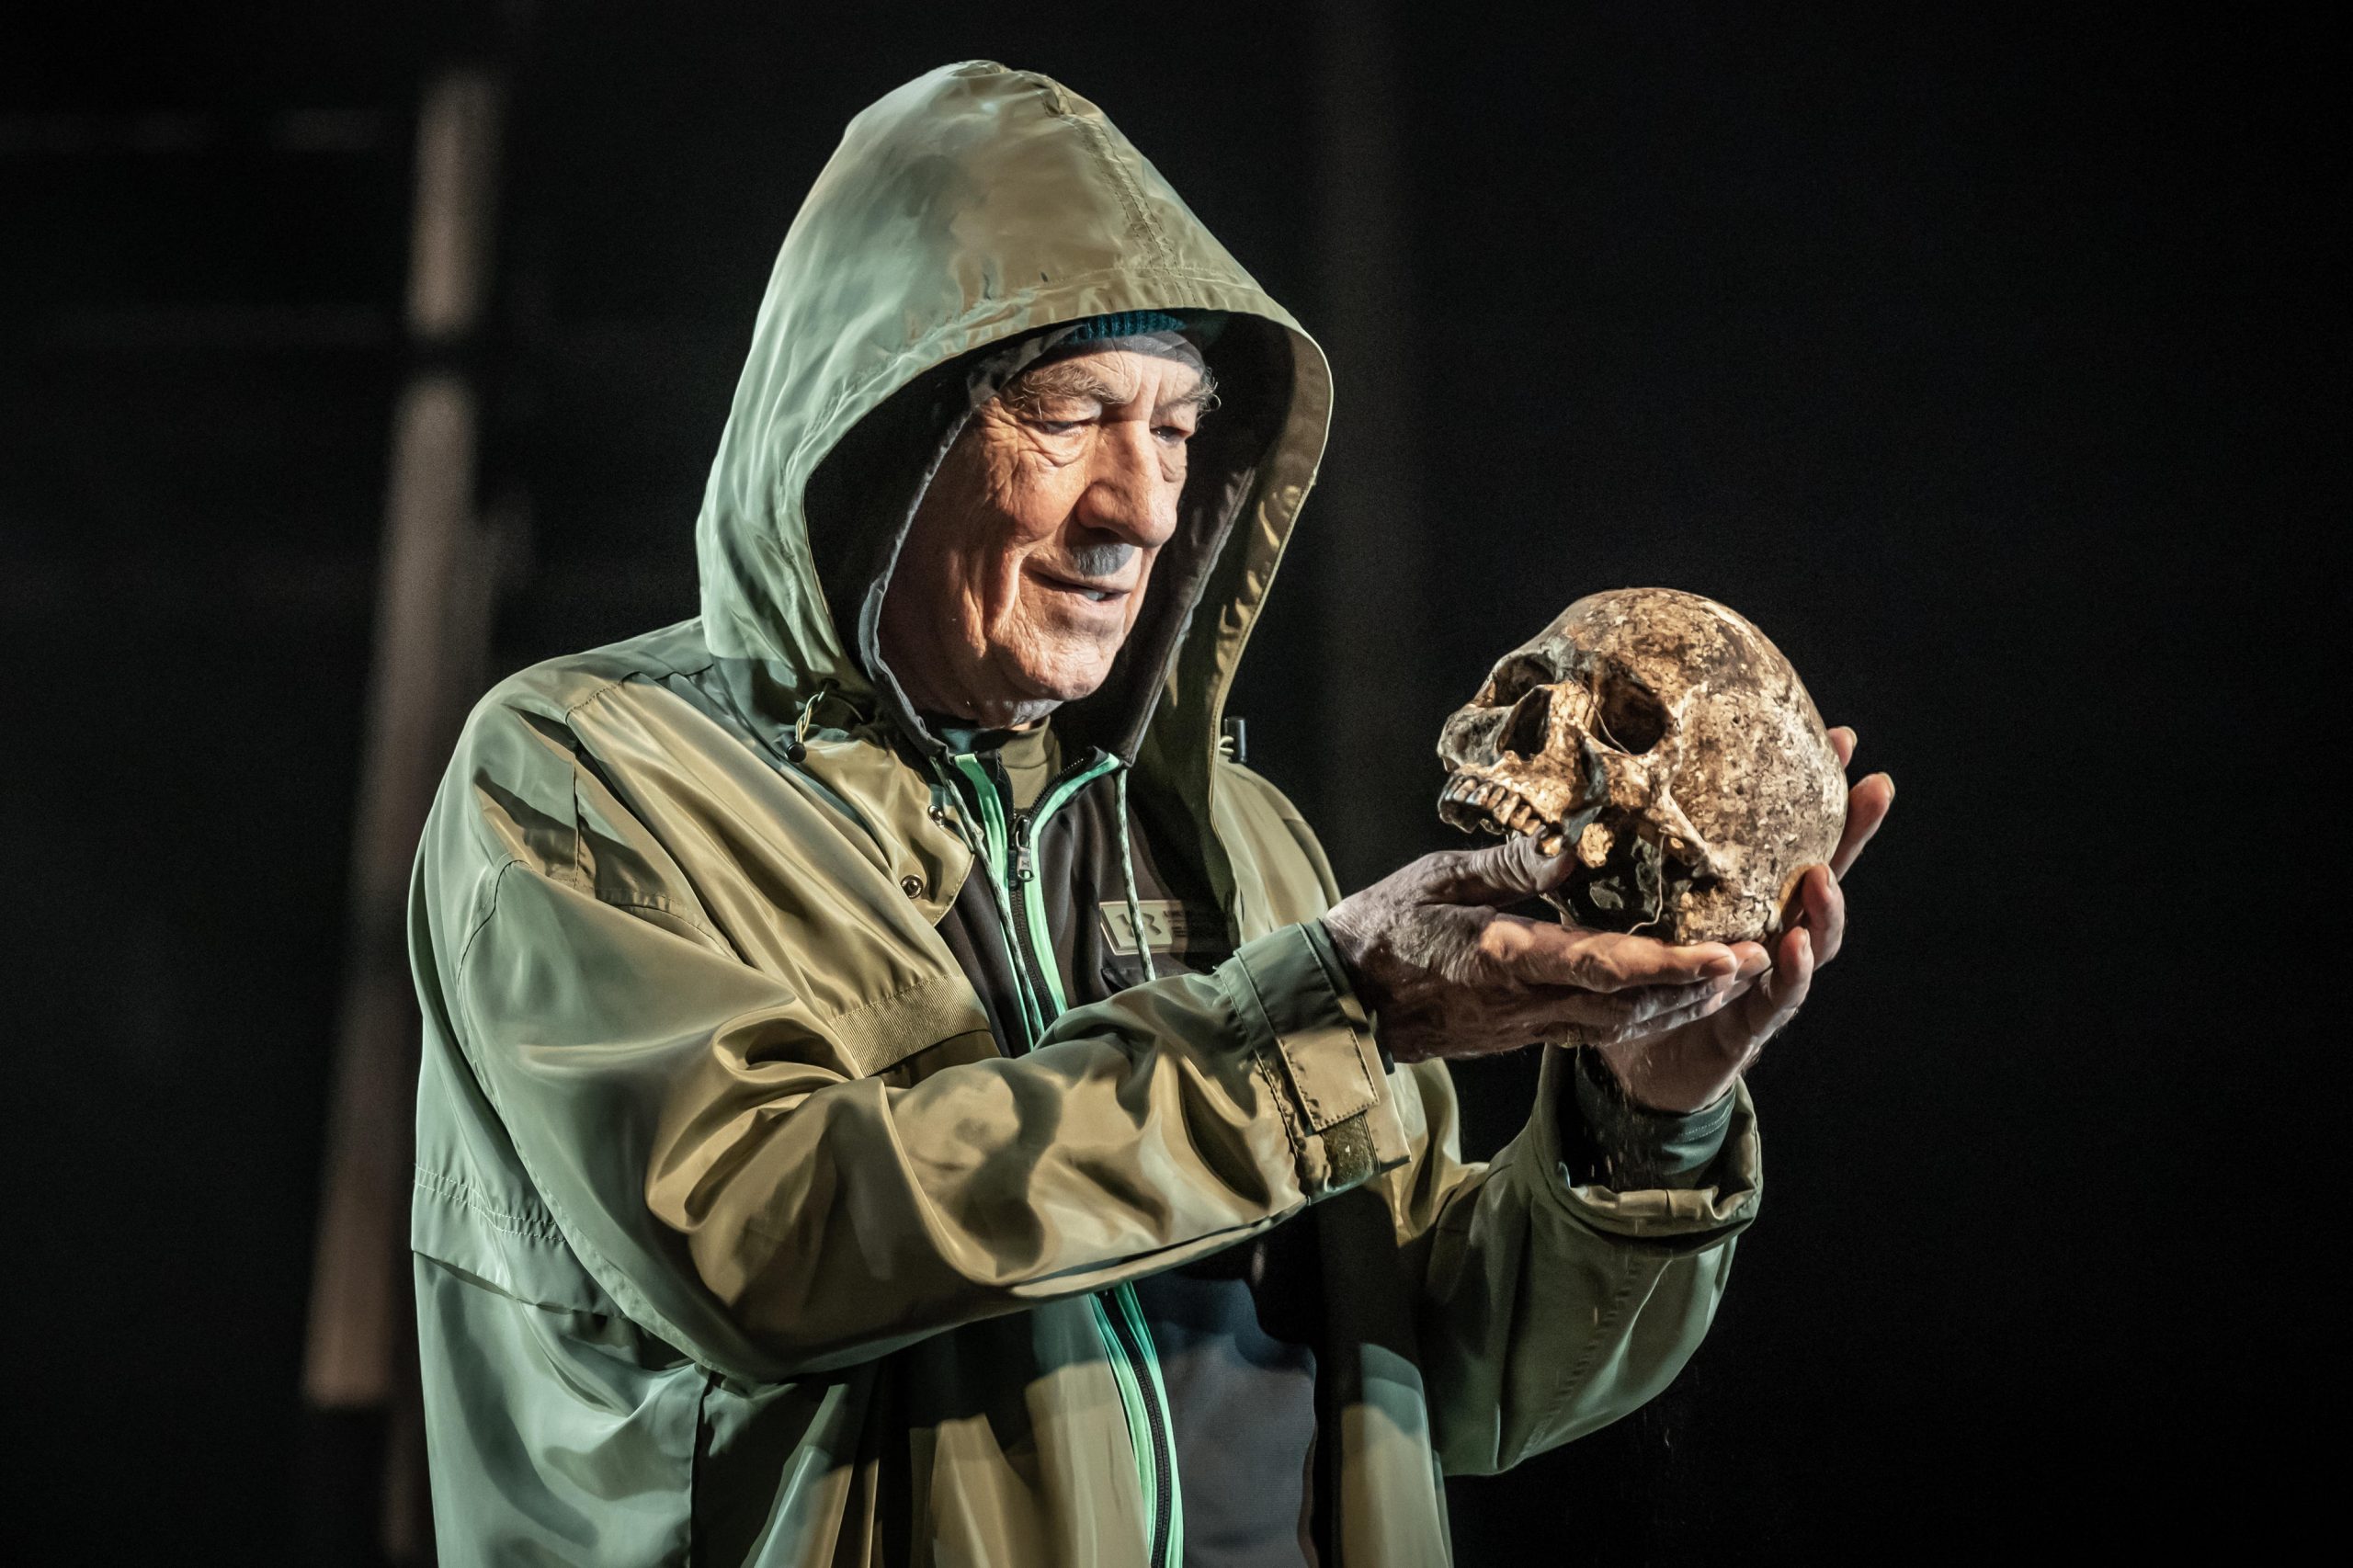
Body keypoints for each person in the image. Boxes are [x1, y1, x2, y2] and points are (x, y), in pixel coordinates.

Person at [408, 61, 1893, 1567]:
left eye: (1178, 432)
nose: (1141, 511)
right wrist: (1325, 1014)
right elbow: (762, 1232)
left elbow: (1448, 1365)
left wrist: (1648, 1119)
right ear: (875, 433)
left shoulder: (1241, 838)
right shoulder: (592, 776)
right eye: (1070, 414)